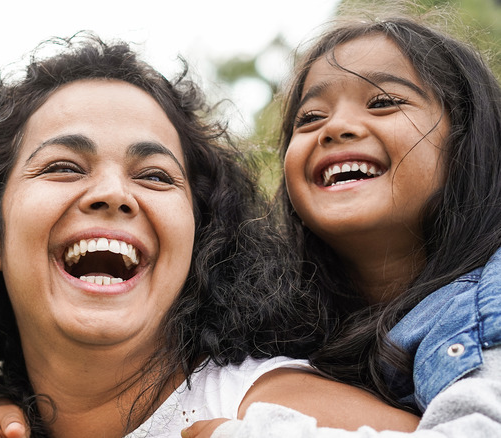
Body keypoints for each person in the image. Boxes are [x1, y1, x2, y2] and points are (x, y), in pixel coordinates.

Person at [0, 34, 418, 438]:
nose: (114, 193)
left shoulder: (267, 410)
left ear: (199, 238)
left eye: (155, 175)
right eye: (64, 166)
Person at [182, 13, 501, 438]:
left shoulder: (488, 299)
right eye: (310, 117)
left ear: (466, 137)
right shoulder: (295, 335)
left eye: (384, 102)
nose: (335, 128)